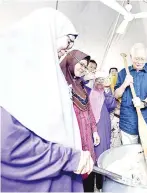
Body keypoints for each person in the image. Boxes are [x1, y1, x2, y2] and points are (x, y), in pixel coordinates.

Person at [0, 8, 93, 192]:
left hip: (57, 174)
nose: (69, 48)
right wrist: (70, 158)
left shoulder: (44, 76)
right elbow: (10, 146)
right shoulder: (11, 76)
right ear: (46, 32)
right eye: (68, 40)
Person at [60, 50, 101, 192]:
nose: (83, 68)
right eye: (81, 64)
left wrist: (94, 131)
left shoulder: (81, 85)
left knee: (88, 169)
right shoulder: (60, 85)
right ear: (71, 61)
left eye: (85, 66)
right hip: (72, 139)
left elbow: (89, 110)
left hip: (87, 138)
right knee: (76, 174)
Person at [114, 43, 147, 145]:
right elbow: (116, 95)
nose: (139, 62)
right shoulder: (122, 73)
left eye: (142, 59)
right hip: (128, 122)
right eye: (136, 58)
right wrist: (125, 84)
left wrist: (143, 103)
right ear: (131, 57)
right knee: (130, 154)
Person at [85, 71, 117, 191]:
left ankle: (100, 184)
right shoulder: (88, 91)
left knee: (102, 154)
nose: (99, 82)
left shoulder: (106, 93)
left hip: (103, 127)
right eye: (97, 79)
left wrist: (108, 88)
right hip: (88, 127)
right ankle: (89, 185)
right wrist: (89, 78)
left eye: (102, 80)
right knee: (90, 154)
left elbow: (112, 105)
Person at [108, 67, 122, 148]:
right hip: (112, 114)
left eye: (115, 71)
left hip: (120, 115)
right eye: (111, 71)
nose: (113, 73)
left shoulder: (120, 85)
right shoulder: (106, 86)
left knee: (119, 135)